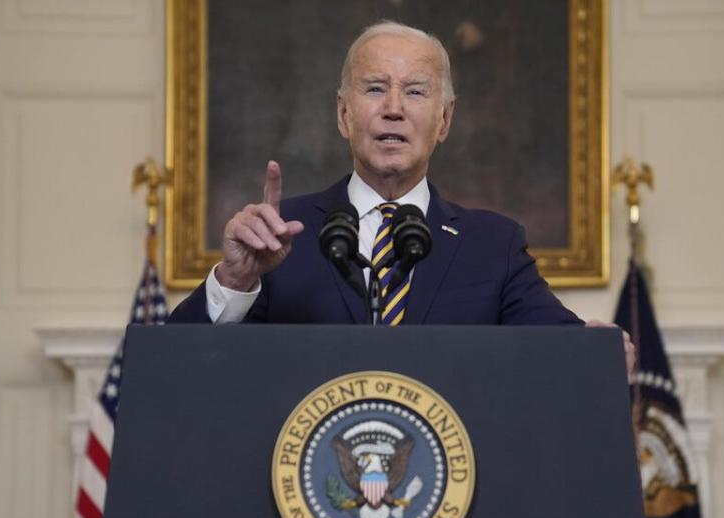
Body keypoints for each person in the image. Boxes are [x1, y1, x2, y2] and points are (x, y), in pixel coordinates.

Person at [168, 21, 634, 369]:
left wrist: (603, 352)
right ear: (344, 115)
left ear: (444, 121)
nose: (393, 109)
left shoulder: (494, 246)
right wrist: (232, 280)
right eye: (375, 89)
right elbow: (179, 366)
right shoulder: (279, 235)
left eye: (414, 92)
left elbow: (564, 353)